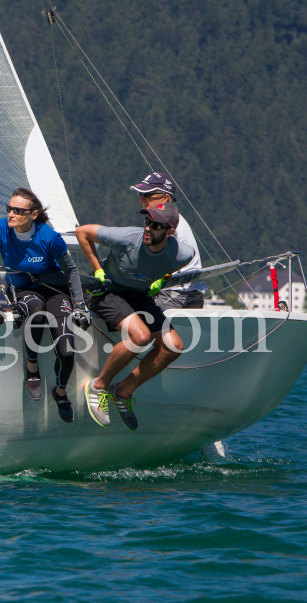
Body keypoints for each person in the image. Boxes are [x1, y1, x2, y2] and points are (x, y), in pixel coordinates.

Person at [0, 188, 90, 423]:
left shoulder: (49, 236)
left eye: (18, 210)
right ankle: (32, 366)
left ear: (33, 214)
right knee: (36, 313)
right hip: (24, 289)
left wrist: (79, 305)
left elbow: (72, 271)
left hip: (54, 290)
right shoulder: (1, 229)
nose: (11, 215)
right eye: (9, 209)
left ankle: (60, 392)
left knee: (67, 350)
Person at [74, 202, 194, 430]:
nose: (148, 228)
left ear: (170, 230)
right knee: (141, 337)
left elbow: (182, 262)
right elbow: (82, 232)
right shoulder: (127, 238)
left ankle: (123, 391)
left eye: (156, 225)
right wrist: (97, 269)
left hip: (138, 295)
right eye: (147, 222)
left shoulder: (182, 253)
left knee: (174, 346)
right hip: (106, 290)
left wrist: (163, 279)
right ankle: (99, 386)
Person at [130, 172, 206, 309]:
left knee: (131, 316)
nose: (141, 199)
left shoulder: (166, 224)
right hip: (184, 292)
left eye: (147, 195)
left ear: (165, 198)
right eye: (140, 194)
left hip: (177, 293)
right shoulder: (170, 219)